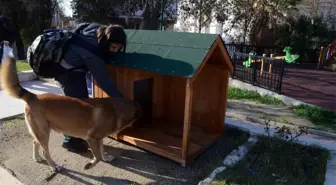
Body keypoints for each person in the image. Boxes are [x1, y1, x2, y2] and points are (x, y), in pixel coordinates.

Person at [55, 23, 127, 153]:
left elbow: (81, 26)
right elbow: (103, 80)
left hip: (68, 68)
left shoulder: (98, 29)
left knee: (79, 105)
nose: (115, 51)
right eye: (113, 47)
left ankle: (76, 137)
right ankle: (70, 142)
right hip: (67, 73)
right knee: (77, 108)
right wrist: (121, 100)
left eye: (118, 48)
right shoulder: (92, 52)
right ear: (106, 42)